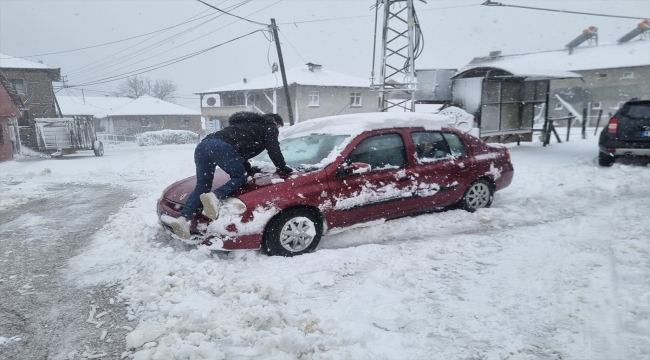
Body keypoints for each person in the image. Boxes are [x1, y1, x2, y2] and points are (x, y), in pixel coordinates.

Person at [170, 111, 291, 239]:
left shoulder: (246, 124)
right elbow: (273, 149)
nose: (277, 130)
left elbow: (241, 146)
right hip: (221, 147)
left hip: (203, 146)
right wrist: (282, 168)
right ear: (276, 123)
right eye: (279, 127)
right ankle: (215, 196)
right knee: (240, 177)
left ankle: (183, 219)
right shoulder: (269, 126)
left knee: (202, 186)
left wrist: (247, 166)